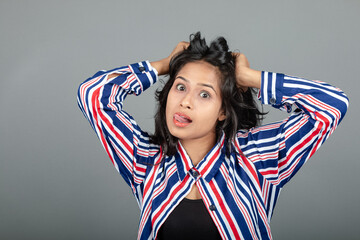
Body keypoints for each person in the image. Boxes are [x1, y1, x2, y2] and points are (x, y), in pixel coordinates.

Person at [77, 32, 348, 240]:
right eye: (180, 87)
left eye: (204, 94)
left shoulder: (256, 156)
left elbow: (332, 105)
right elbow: (92, 95)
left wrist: (250, 77)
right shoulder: (145, 160)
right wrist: (162, 65)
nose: (185, 102)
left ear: (222, 111)